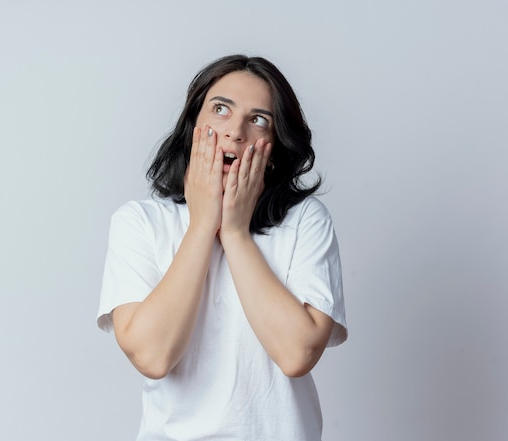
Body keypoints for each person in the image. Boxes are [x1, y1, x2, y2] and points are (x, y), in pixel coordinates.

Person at [97, 54, 348, 440]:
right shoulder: (139, 222)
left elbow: (297, 354)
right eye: (220, 109)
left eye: (258, 119)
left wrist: (234, 232)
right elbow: (151, 356)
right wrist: (202, 225)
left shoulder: (305, 221)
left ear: (275, 144)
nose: (235, 132)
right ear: (194, 124)